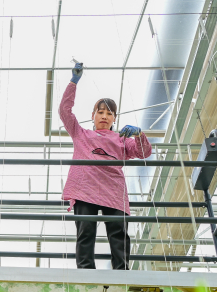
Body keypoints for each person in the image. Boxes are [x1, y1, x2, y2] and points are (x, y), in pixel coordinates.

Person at [59, 62, 152, 270]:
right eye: (100, 112)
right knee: (86, 230)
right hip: (85, 189)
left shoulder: (121, 139)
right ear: (93, 115)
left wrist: (139, 134)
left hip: (113, 189)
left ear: (114, 119)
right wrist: (73, 82)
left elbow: (144, 152)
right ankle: (86, 272)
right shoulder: (81, 134)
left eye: (109, 114)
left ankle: (122, 272)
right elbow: (64, 111)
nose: (104, 116)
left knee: (118, 232)